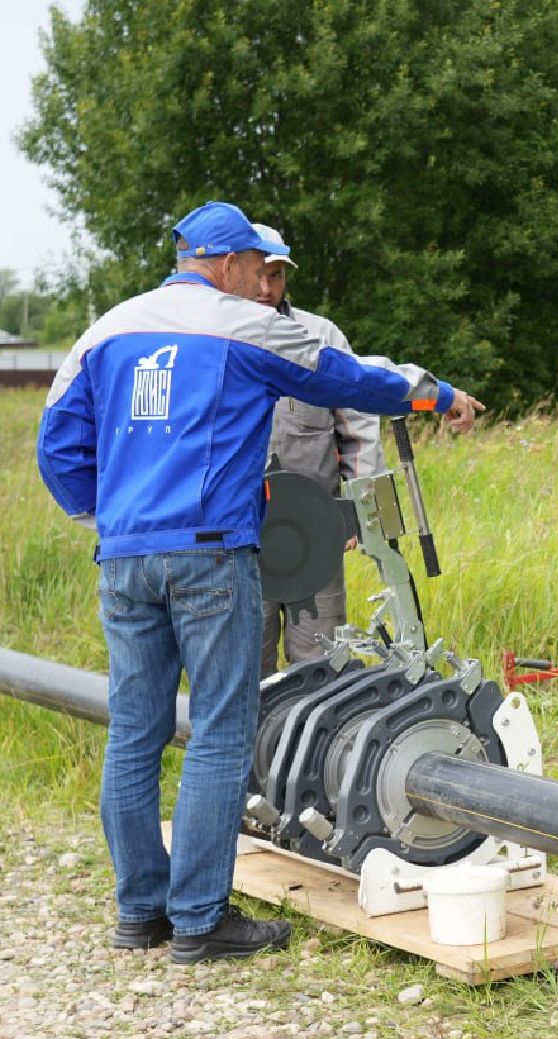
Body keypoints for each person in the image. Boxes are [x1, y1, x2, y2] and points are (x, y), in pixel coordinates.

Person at [35, 201, 484, 963]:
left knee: (136, 731)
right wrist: (436, 395)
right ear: (226, 261)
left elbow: (57, 442)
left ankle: (140, 913)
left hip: (124, 557)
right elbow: (349, 381)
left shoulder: (107, 329)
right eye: (257, 267)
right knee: (219, 731)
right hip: (210, 553)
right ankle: (202, 921)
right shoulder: (241, 326)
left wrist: (105, 516)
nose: (265, 285)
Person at [250, 222, 381, 676]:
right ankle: (255, 749)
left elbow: (359, 425)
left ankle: (316, 746)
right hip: (238, 538)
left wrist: (353, 511)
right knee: (247, 668)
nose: (267, 288)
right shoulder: (212, 338)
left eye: (278, 275)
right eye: (259, 274)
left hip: (316, 531)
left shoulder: (320, 336)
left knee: (321, 665)